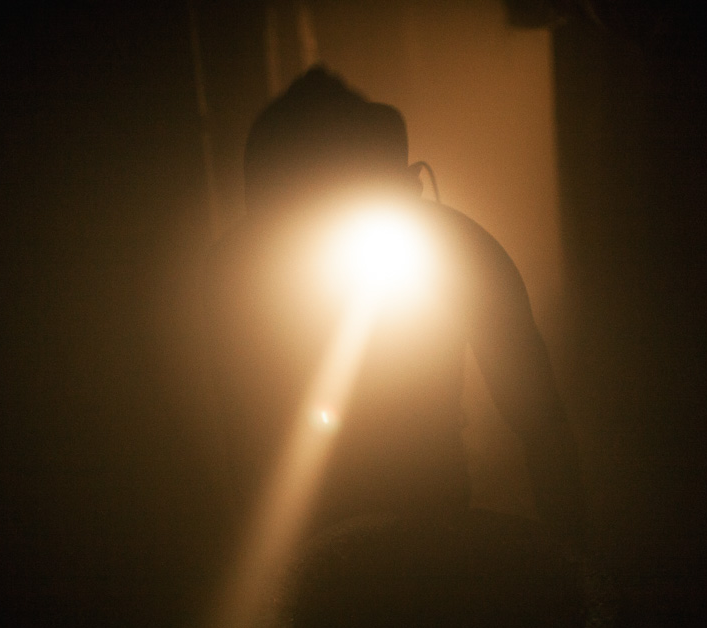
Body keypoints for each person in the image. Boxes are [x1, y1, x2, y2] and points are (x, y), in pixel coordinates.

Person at [203, 67, 585, 544]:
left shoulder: (454, 252)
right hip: (303, 549)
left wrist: (576, 566)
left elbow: (539, 420)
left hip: (427, 529)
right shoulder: (233, 275)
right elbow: (211, 443)